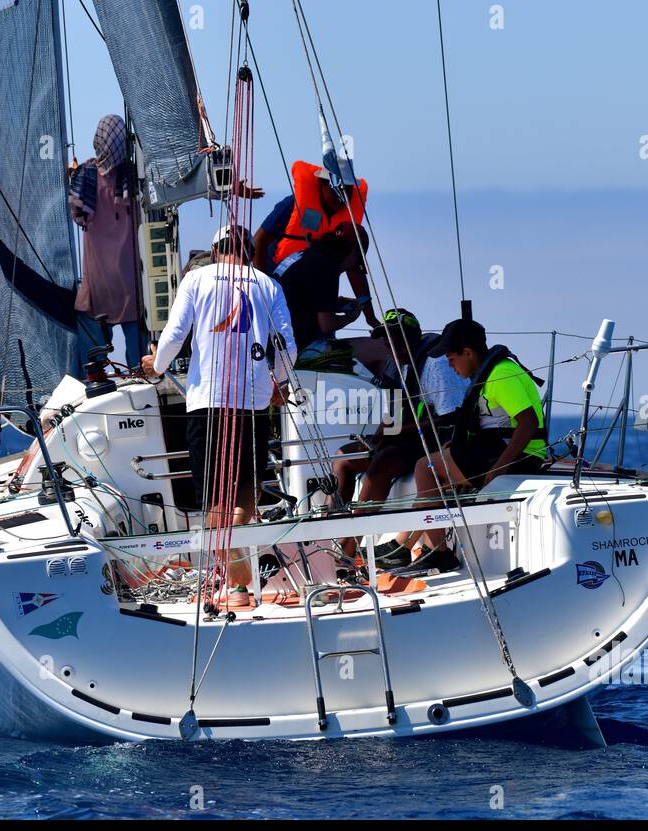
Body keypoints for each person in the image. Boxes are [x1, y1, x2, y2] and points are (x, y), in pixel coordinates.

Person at [141, 224, 297, 610]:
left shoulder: (197, 278)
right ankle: (240, 581)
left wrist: (157, 366)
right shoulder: (268, 285)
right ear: (248, 251)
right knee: (246, 494)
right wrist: (278, 382)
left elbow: (175, 334)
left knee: (215, 501)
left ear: (215, 250)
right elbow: (287, 346)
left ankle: (238, 585)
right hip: (253, 405)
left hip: (208, 404)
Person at [378, 318, 548, 576]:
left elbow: (528, 422)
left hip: (520, 456)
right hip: (495, 449)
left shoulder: (501, 375)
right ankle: (407, 545)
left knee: (426, 468)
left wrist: (501, 467)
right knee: (436, 464)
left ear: (467, 353)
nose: (450, 365)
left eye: (451, 358)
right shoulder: (489, 374)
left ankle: (434, 552)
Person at [332, 309, 469, 566]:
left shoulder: (435, 364)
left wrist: (398, 432)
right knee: (345, 459)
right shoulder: (397, 365)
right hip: (405, 438)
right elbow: (393, 416)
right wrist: (376, 438)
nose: (388, 344)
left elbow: (451, 418)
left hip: (433, 440)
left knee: (381, 464)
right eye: (385, 338)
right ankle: (330, 535)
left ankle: (348, 551)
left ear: (411, 337)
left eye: (394, 337)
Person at [68, 115, 149, 368]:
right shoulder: (134, 179)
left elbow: (75, 211)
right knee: (139, 364)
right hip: (132, 287)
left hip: (98, 286)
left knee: (93, 365)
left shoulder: (84, 178)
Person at [253, 160, 375, 319]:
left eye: (347, 190)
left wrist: (370, 317)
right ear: (321, 184)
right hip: (280, 284)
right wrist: (264, 293)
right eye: (336, 189)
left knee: (323, 333)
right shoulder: (293, 204)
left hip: (317, 290)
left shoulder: (348, 222)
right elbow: (259, 241)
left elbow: (353, 265)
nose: (342, 197)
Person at [272, 224, 378, 353]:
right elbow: (327, 325)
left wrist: (336, 303)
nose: (349, 269)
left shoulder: (305, 255)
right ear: (352, 252)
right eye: (356, 261)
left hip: (272, 344)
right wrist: (352, 316)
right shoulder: (328, 266)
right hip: (295, 349)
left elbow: (298, 299)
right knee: (379, 348)